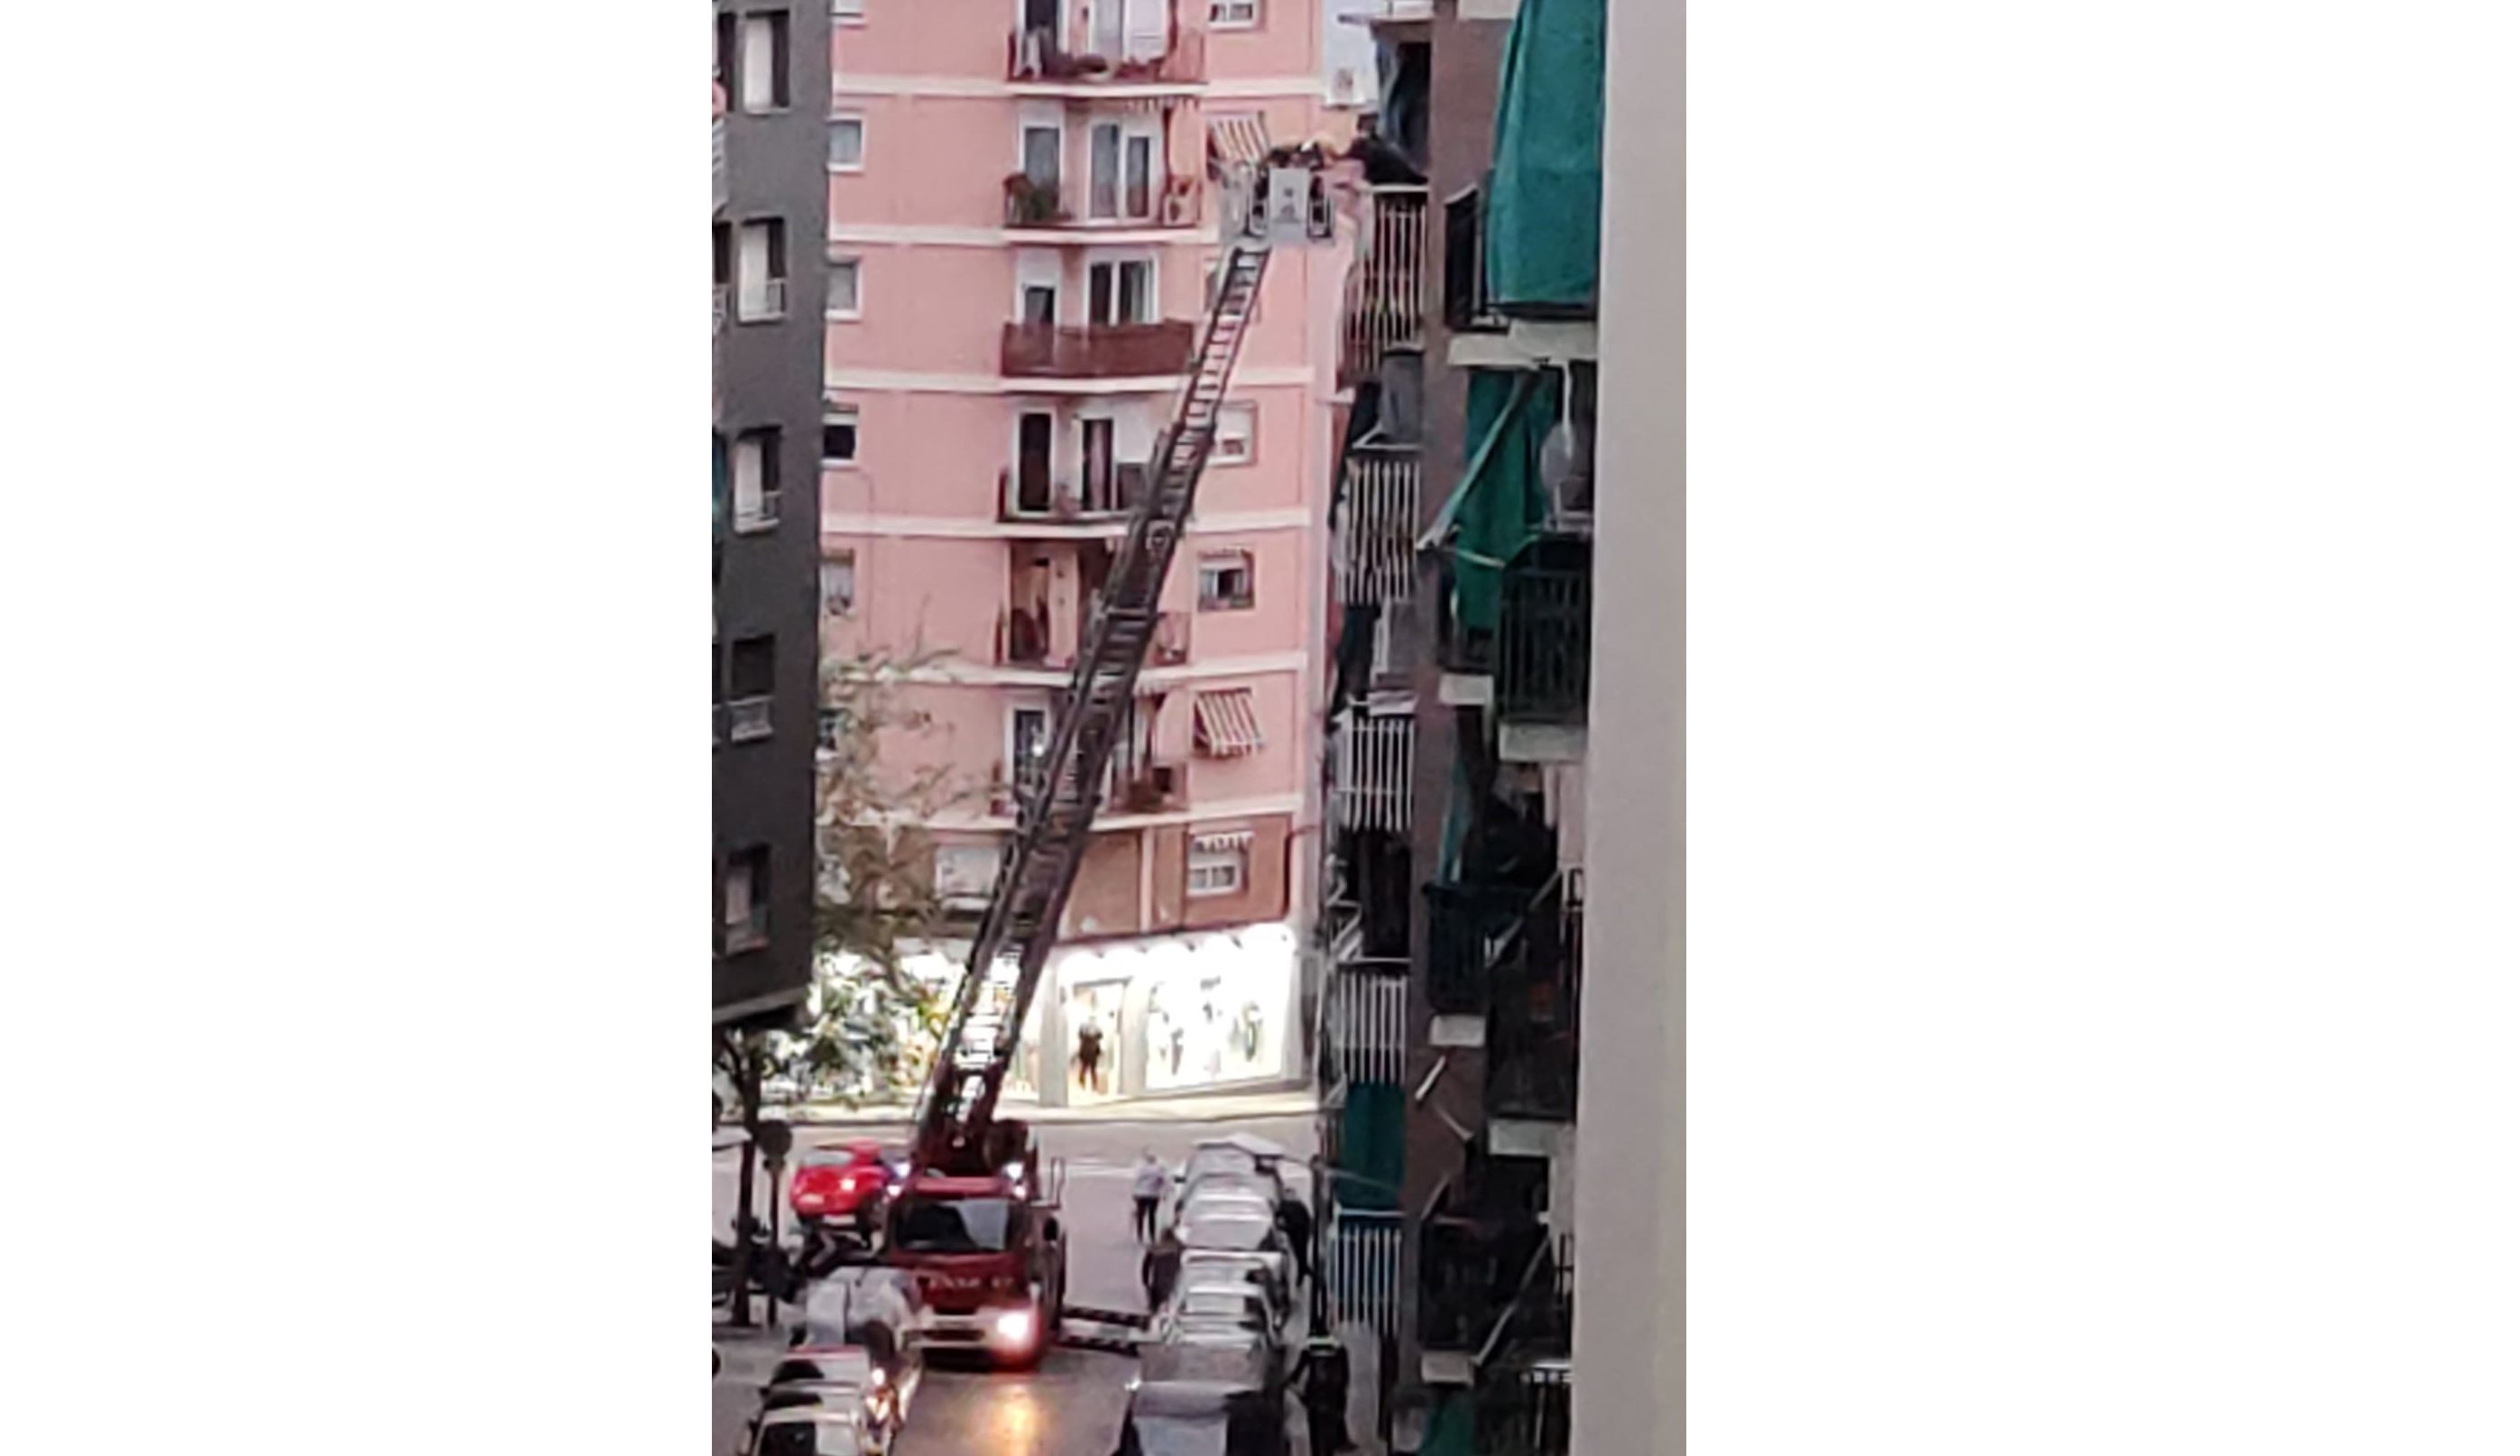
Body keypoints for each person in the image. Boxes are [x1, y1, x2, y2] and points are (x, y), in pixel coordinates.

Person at [1293, 1337, 1352, 1455]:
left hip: (1314, 1397)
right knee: (1329, 1437)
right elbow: (1345, 1378)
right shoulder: (1340, 1349)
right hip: (1332, 1398)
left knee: (1315, 1437)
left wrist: (1298, 1392)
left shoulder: (1308, 1349)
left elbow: (1297, 1375)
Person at [1131, 1150, 1167, 1243]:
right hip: (1152, 1195)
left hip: (1143, 1194)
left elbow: (1136, 1180)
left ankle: (1141, 1235)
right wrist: (1163, 1192)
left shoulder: (1140, 1167)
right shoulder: (1159, 1168)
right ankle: (1151, 1236)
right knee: (1151, 1216)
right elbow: (1163, 1181)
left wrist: (1134, 1193)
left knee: (1141, 1215)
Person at [1075, 1019, 1106, 1094]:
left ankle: (1083, 1086)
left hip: (1087, 1052)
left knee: (1084, 1069)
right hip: (1092, 1053)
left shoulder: (1084, 1033)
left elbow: (1080, 1035)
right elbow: (1100, 1036)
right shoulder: (1095, 1035)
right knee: (1092, 1070)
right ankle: (1093, 1087)